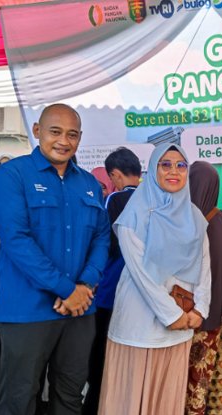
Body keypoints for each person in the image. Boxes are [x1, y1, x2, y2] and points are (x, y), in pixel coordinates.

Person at [0, 103, 110, 415]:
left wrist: (85, 285)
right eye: (55, 131)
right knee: (18, 399)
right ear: (37, 131)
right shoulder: (11, 176)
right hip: (27, 310)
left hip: (79, 311)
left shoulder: (89, 184)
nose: (64, 141)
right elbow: (17, 240)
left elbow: (101, 237)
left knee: (70, 397)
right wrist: (67, 289)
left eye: (72, 134)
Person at [98, 143, 211, 414]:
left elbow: (204, 264)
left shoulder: (194, 216)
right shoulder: (135, 213)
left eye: (181, 165)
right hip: (138, 326)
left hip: (179, 329)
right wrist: (172, 315)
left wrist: (201, 308)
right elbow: (140, 272)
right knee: (129, 403)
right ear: (153, 169)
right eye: (165, 164)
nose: (174, 171)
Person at [82, 147, 142, 415]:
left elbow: (105, 243)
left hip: (112, 288)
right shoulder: (155, 197)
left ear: (115, 175)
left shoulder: (115, 199)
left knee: (101, 356)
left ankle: (97, 405)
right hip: (142, 292)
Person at [186, 160, 222, 415]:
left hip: (175, 315)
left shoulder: (177, 220)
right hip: (210, 317)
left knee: (171, 378)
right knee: (200, 380)